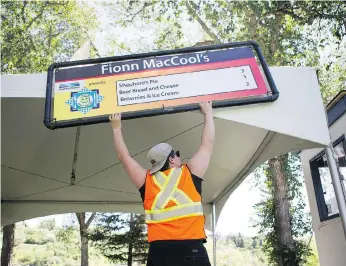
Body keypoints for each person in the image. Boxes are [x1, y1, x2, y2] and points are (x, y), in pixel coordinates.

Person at [109, 101, 215, 266]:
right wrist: (208, 114)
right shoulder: (190, 172)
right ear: (171, 159)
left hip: (159, 253)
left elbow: (124, 157)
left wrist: (116, 128)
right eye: (177, 154)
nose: (180, 157)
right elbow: (207, 144)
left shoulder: (146, 181)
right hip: (191, 249)